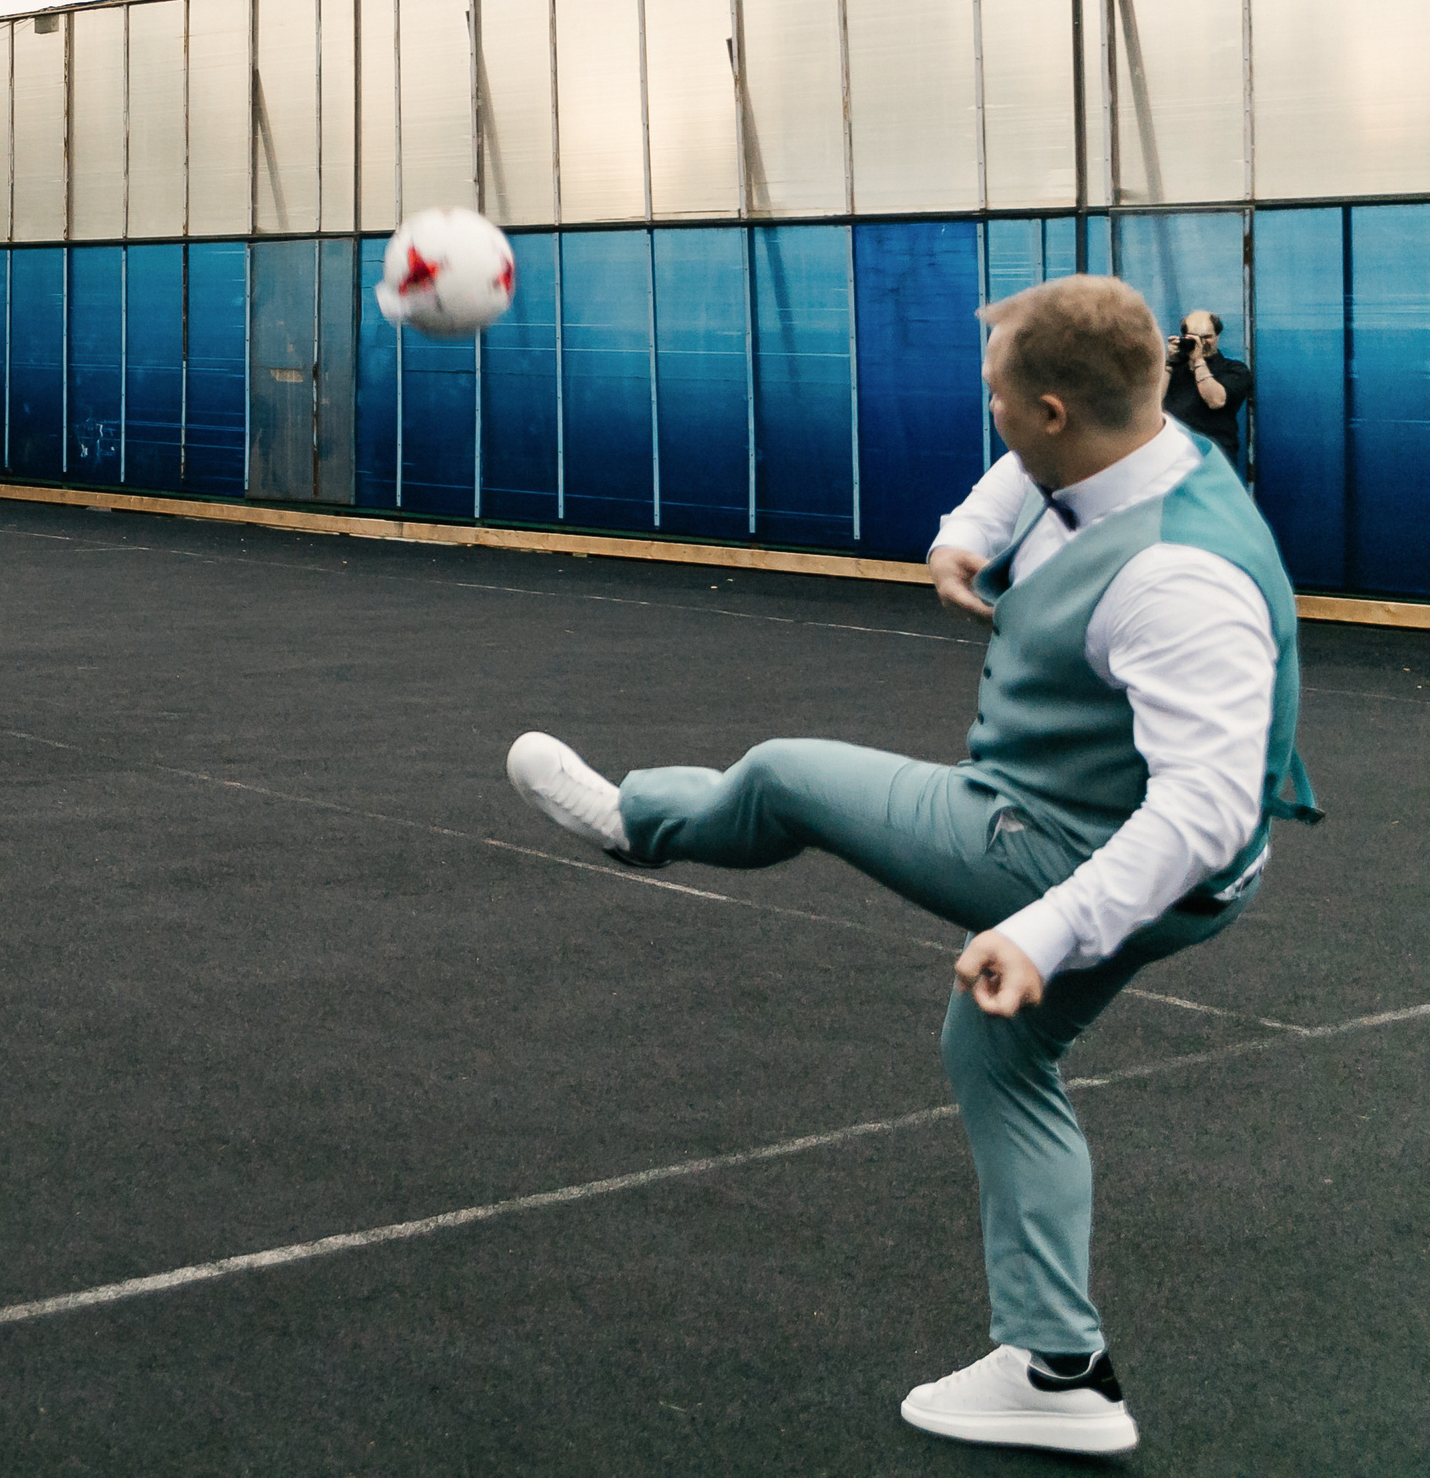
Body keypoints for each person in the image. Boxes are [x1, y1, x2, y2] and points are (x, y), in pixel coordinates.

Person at [503, 275, 1318, 1459]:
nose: (987, 415)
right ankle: (1058, 1371)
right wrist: (964, 536)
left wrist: (1041, 932)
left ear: (1047, 408)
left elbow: (1201, 806)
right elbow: (1030, 480)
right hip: (1138, 852)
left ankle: (638, 823)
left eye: (996, 399)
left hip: (1072, 847)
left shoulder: (1178, 580)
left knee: (785, 773)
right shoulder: (1133, 445)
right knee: (995, 1045)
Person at [1162, 309, 1253, 468]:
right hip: (1172, 455)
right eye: (1194, 338)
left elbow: (1216, 401)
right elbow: (1151, 403)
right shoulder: (1172, 369)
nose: (1202, 343)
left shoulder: (1234, 369)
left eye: (1207, 337)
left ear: (1218, 336)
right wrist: (1170, 363)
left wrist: (1197, 360)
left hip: (1213, 457)